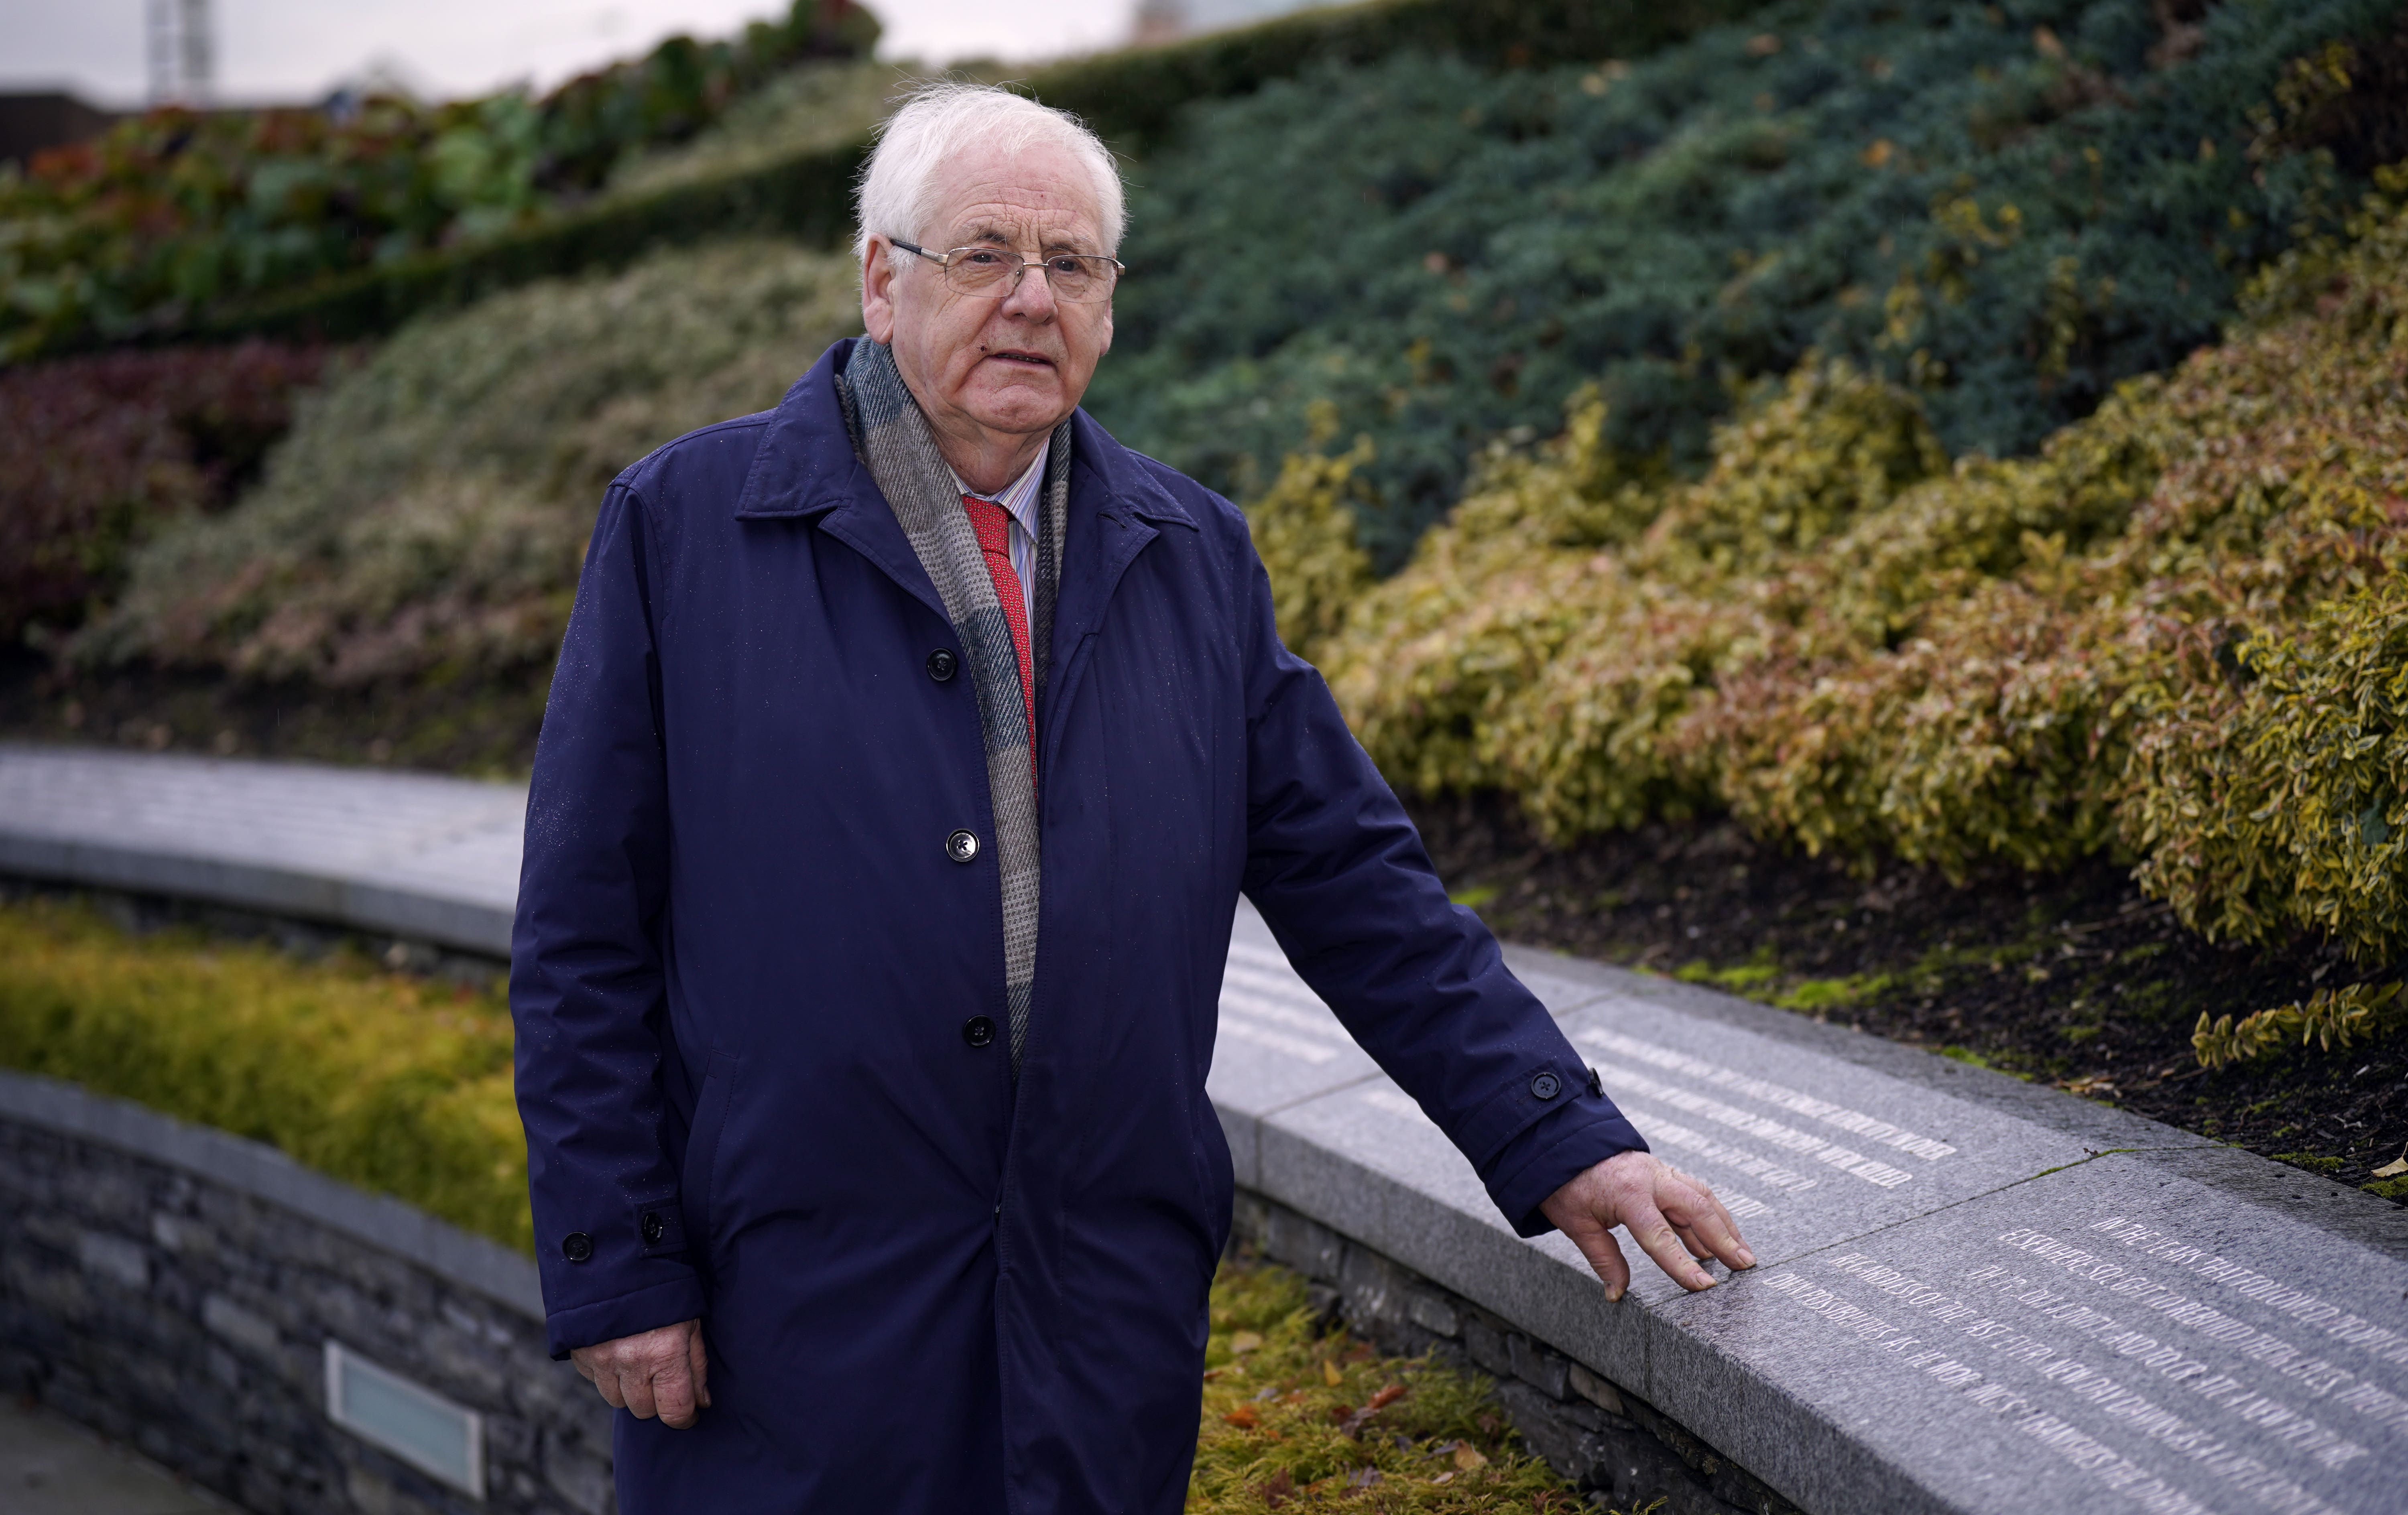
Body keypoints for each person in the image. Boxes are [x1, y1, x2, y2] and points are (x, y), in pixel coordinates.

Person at [510, 81, 1753, 1513]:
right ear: (880, 279)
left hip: (1095, 1326)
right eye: (982, 254)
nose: (1031, 300)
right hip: (780, 1322)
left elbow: (1357, 884)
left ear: (1109, 299)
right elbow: (582, 940)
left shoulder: (1191, 553)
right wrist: (619, 1263)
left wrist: (1562, 1138)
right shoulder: (685, 526)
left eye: (1073, 264)